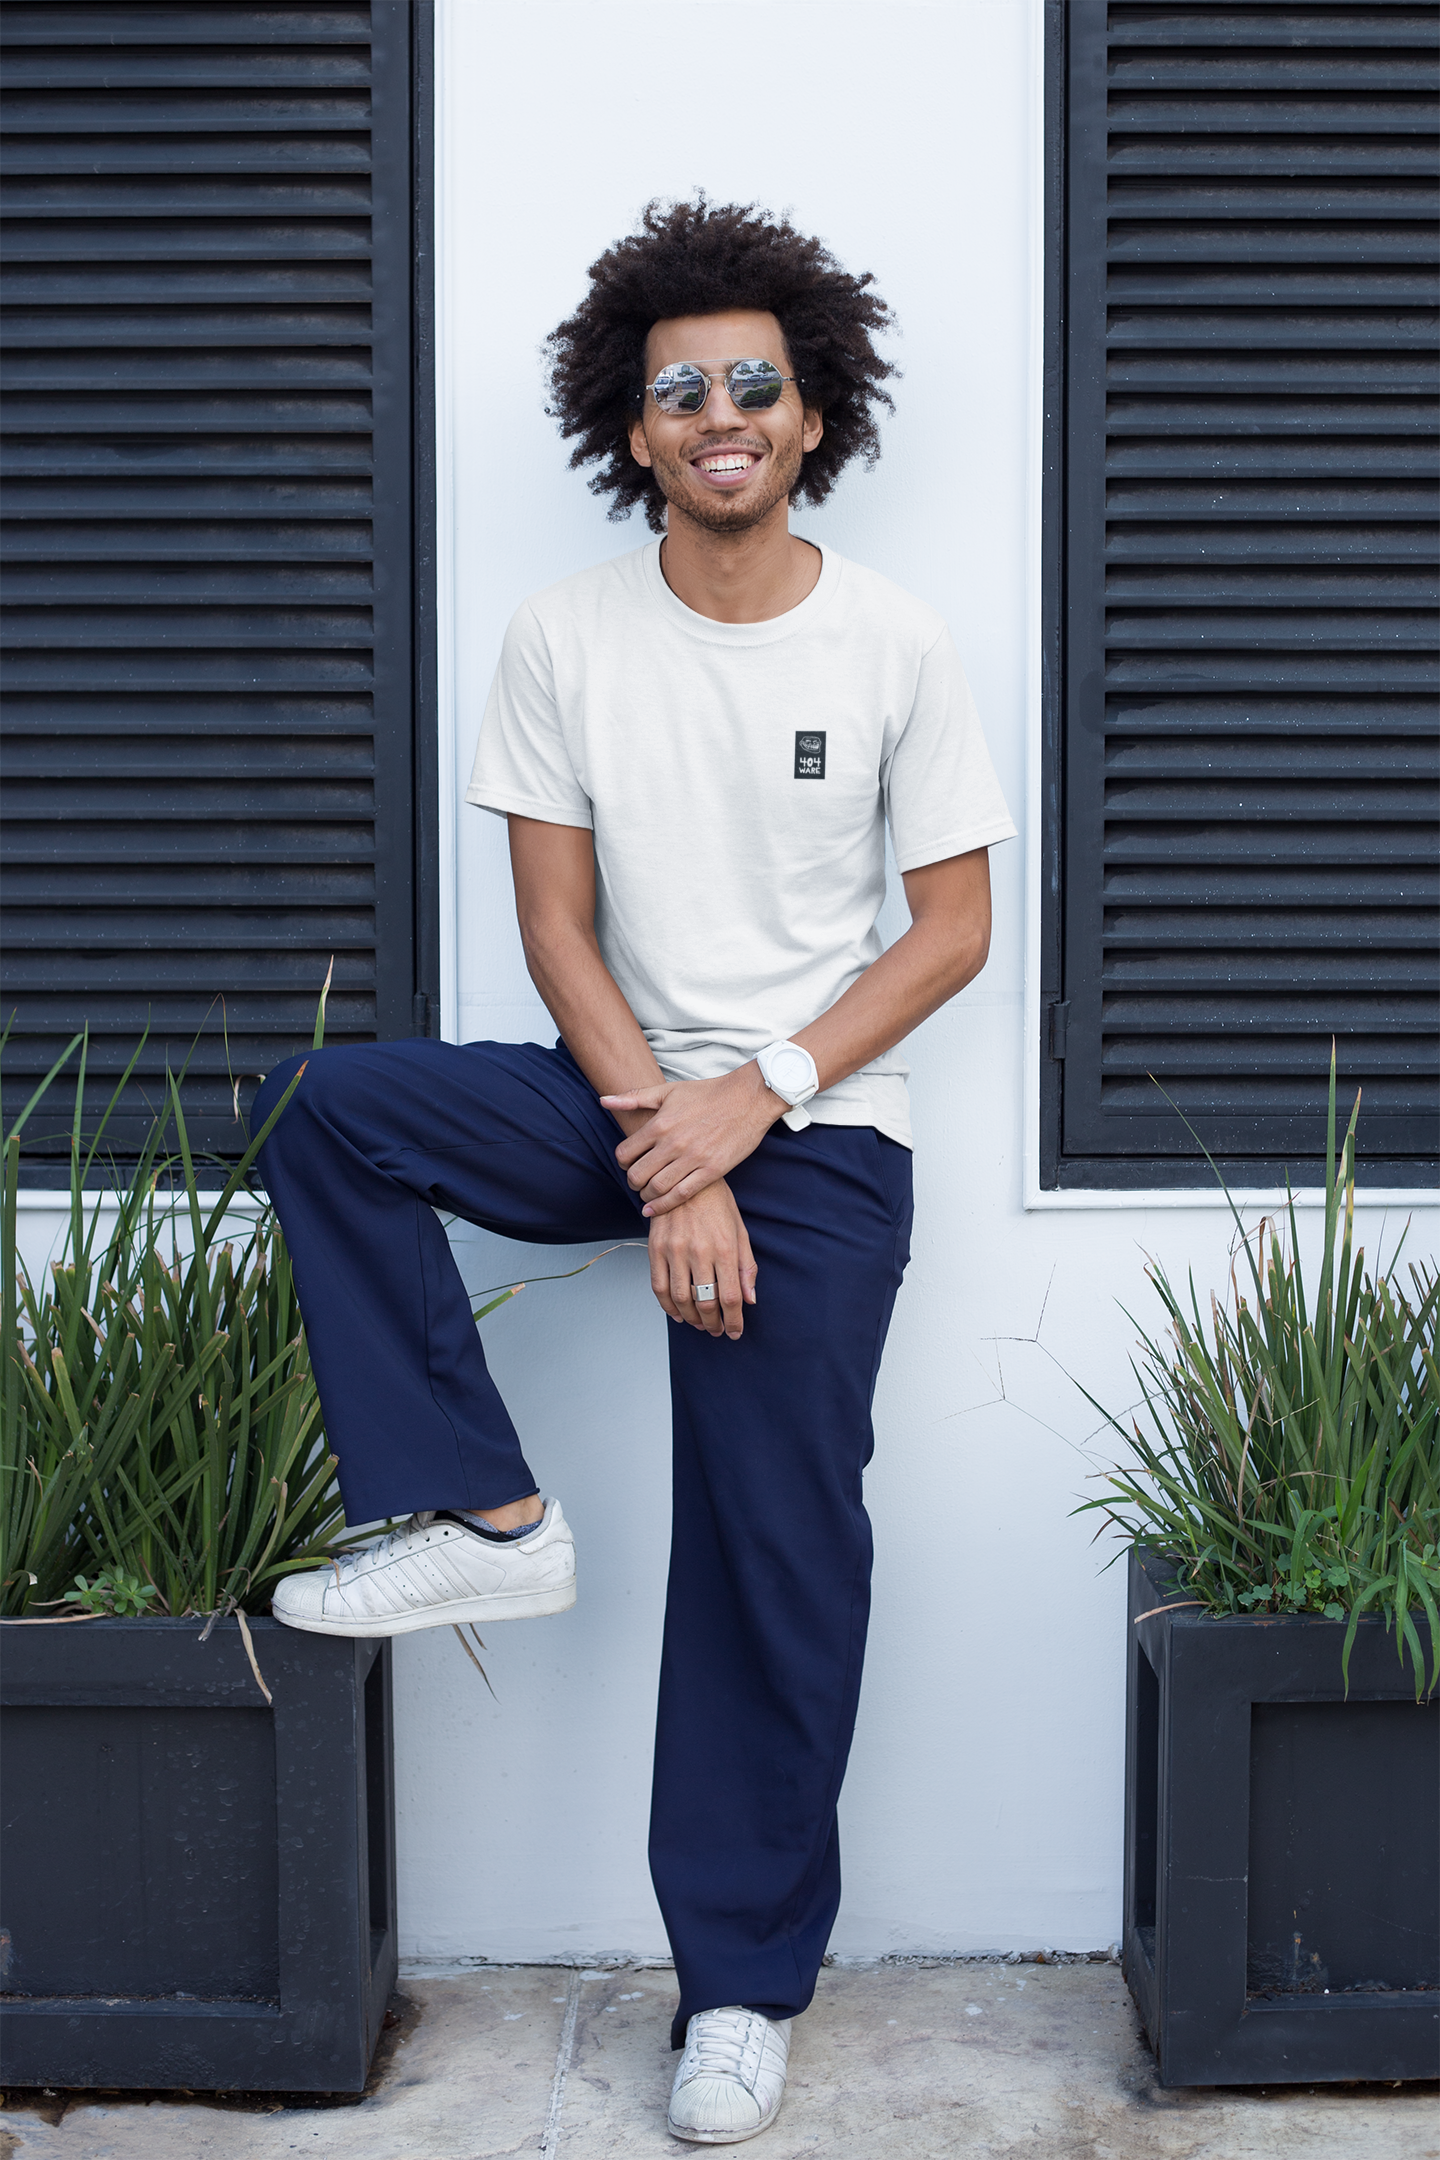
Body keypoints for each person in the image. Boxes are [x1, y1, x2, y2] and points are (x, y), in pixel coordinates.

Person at [255, 196, 1015, 2146]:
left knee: (776, 1546)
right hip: (624, 1098)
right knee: (332, 1108)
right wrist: (674, 1162)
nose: (721, 413)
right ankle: (488, 1510)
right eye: (683, 392)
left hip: (821, 1135)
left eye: (756, 383)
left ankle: (741, 1990)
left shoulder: (896, 639)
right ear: (635, 429)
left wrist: (756, 1102)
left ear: (815, 414)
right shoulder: (564, 637)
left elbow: (950, 933)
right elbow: (555, 929)